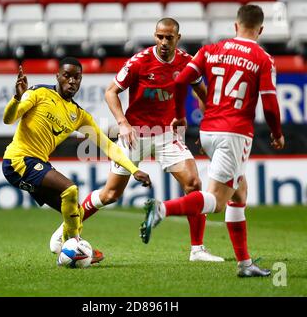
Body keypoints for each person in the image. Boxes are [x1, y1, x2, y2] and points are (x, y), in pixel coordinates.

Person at [51, 18, 224, 262]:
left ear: (178, 38)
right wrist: (122, 123)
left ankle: (197, 249)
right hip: (135, 133)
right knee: (110, 194)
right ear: (155, 36)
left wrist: (208, 124)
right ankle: (65, 230)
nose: (164, 42)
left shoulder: (187, 62)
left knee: (193, 183)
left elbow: (203, 94)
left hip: (167, 134)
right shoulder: (139, 62)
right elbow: (111, 91)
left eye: (169, 38)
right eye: (160, 37)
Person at [141, 5, 285, 277]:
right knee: (217, 202)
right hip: (235, 133)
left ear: (235, 25)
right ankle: (162, 209)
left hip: (208, 130)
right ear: (261, 30)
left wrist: (181, 116)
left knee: (239, 193)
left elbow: (180, 81)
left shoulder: (211, 49)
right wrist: (276, 133)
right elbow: (269, 103)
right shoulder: (263, 58)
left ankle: (245, 264)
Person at [2, 57, 152, 265]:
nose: (72, 81)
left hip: (36, 164)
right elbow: (9, 119)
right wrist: (16, 99)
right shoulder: (38, 93)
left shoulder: (78, 115)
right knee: (70, 189)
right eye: (67, 76)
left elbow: (108, 146)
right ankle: (74, 245)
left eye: (77, 77)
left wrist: (133, 169)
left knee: (76, 212)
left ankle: (65, 248)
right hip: (18, 160)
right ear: (57, 77)